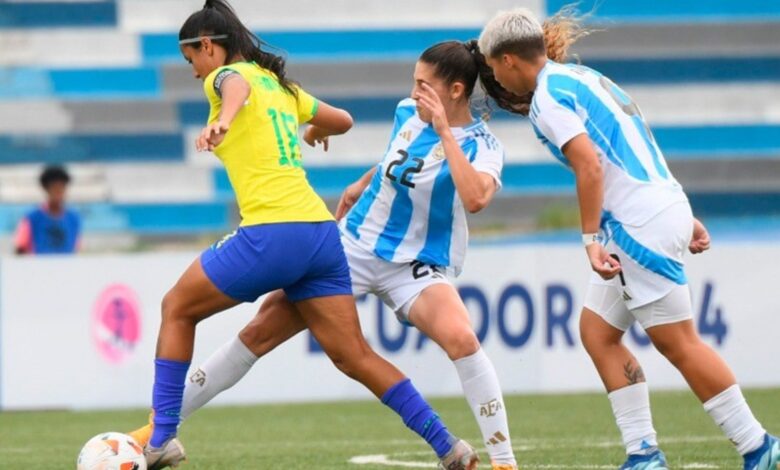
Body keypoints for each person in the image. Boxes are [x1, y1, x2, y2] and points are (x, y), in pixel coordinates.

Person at [130, 39, 525, 470]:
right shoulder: (406, 113)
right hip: (352, 247)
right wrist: (361, 183)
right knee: (261, 330)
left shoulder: (483, 145)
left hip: (416, 265)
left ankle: (503, 461)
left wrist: (446, 133)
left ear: (454, 91)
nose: (414, 93)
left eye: (423, 85)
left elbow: (475, 198)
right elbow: (399, 161)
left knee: (462, 339)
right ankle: (156, 432)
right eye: (413, 82)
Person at [476, 7, 780, 470]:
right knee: (597, 332)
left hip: (636, 226)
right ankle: (643, 453)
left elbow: (590, 165)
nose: (496, 78)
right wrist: (682, 211)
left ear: (510, 59)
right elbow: (634, 140)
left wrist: (589, 239)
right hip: (657, 208)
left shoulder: (547, 99)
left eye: (494, 67)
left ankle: (759, 447)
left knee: (680, 343)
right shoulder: (581, 77)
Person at [14, 165, 81, 255]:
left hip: (66, 268)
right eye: (55, 189)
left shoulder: (74, 219)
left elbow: (75, 248)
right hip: (38, 267)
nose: (58, 193)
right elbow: (21, 249)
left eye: (61, 188)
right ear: (47, 190)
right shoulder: (31, 218)